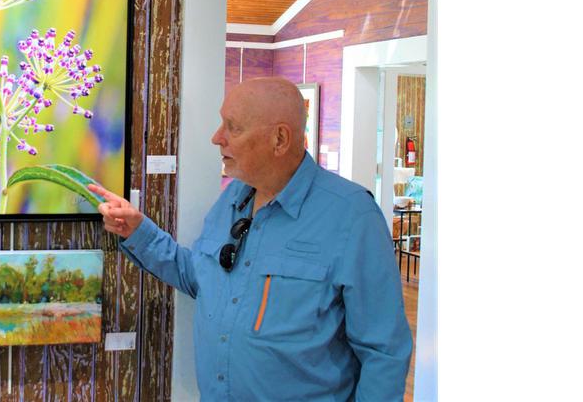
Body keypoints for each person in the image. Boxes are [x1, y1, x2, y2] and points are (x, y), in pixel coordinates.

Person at [89, 77, 412, 401]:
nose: (217, 138)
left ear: (279, 138)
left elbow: (384, 351)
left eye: (233, 127)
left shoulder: (352, 216)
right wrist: (137, 230)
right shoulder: (233, 199)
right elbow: (199, 276)